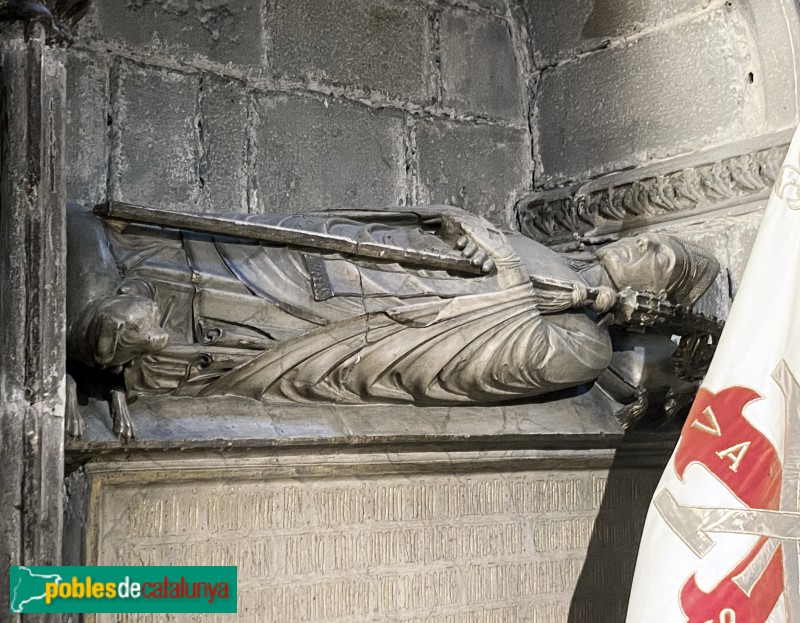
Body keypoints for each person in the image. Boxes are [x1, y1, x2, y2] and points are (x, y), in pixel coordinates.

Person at [66, 204, 719, 406]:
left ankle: (126, 339)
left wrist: (522, 282)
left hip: (383, 327)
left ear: (654, 301)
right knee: (245, 257)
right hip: (361, 258)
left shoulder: (588, 347)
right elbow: (446, 225)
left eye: (660, 260)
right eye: (655, 242)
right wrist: (472, 231)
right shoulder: (548, 249)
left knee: (263, 318)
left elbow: (481, 365)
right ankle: (134, 271)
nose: (644, 248)